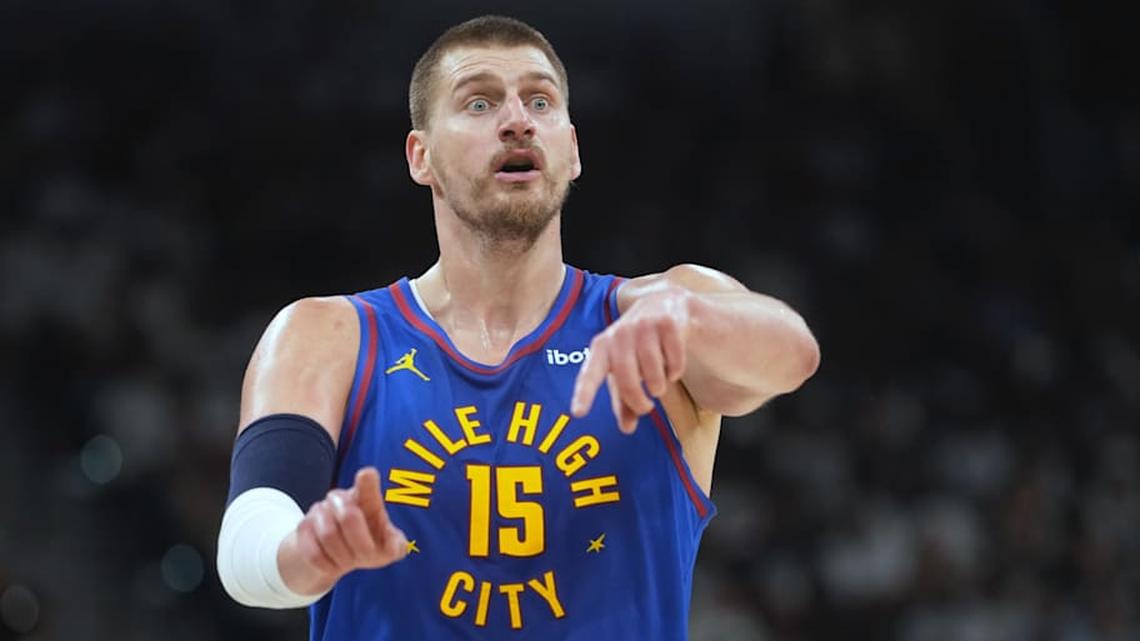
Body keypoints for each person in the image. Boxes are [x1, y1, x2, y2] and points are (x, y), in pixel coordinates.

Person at [216, 14, 820, 641]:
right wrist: (304, 555)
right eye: (478, 102)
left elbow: (793, 353)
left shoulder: (658, 314)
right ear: (421, 156)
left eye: (540, 101)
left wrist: (695, 319)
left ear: (573, 149)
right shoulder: (329, 335)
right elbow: (246, 545)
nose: (517, 119)